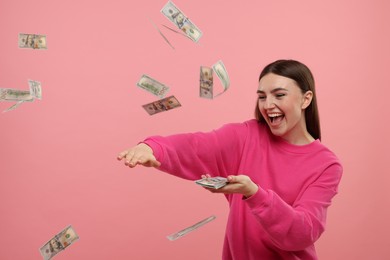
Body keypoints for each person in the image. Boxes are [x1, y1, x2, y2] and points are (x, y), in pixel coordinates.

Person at [117, 59, 343, 259]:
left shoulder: (326, 165)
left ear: (306, 99)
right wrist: (154, 148)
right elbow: (198, 146)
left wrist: (254, 194)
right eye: (262, 97)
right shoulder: (247, 136)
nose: (267, 105)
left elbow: (301, 234)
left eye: (279, 95)